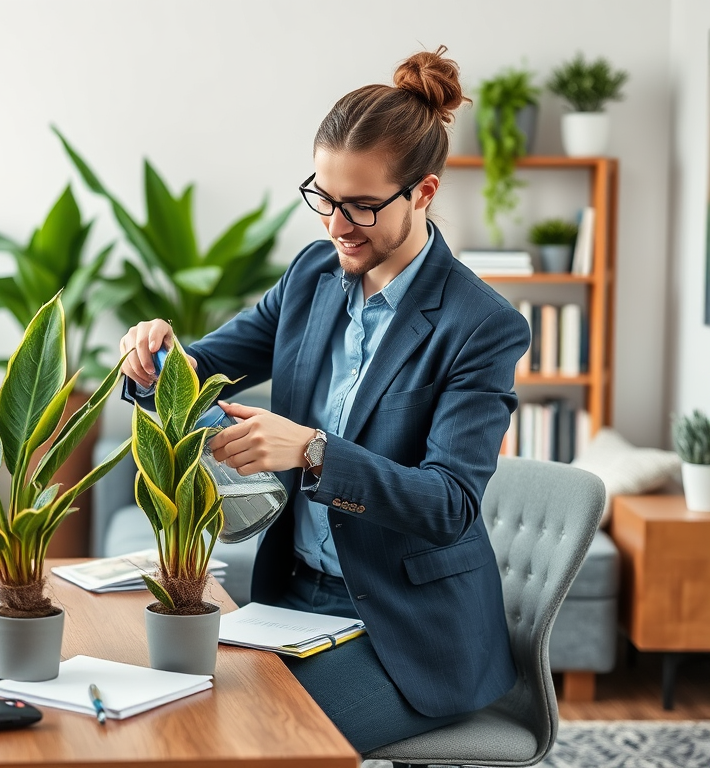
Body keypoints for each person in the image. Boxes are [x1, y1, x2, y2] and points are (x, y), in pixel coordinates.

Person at [119, 45, 531, 755]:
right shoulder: (314, 274)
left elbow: (450, 505)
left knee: (256, 743)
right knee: (170, 717)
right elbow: (205, 367)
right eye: (325, 198)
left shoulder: (481, 325)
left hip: (406, 630)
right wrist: (158, 362)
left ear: (424, 193)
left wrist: (313, 452)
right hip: (293, 598)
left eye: (363, 206)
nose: (336, 225)